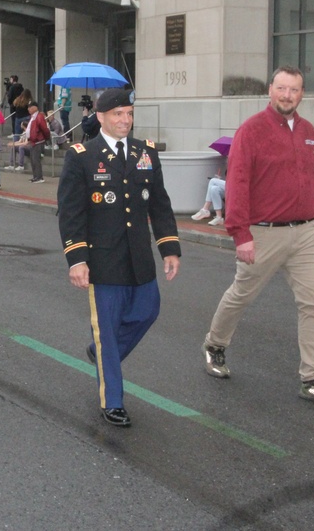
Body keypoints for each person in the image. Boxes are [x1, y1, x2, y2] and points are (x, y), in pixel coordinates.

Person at [201, 66, 314, 408]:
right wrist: (241, 234)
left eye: (294, 90)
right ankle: (215, 345)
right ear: (270, 90)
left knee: (313, 303)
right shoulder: (251, 131)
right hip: (263, 233)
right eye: (281, 88)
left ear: (302, 94)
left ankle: (313, 379)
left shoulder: (309, 132)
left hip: (307, 233)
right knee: (241, 294)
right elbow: (236, 184)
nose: (287, 95)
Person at [57, 88, 181, 428]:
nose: (125, 120)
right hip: (103, 260)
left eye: (128, 114)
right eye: (117, 115)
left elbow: (159, 204)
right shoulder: (82, 155)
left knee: (147, 310)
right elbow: (71, 214)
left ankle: (100, 353)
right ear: (100, 117)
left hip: (139, 256)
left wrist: (169, 247)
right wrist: (77, 258)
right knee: (108, 330)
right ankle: (112, 401)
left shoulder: (146, 153)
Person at [22, 101, 50, 184]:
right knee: (33, 160)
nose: (28, 109)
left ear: (35, 107)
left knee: (36, 160)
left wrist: (45, 137)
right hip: (33, 141)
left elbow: (44, 129)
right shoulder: (33, 117)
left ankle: (39, 177)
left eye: (30, 107)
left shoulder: (39, 117)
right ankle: (35, 176)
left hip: (38, 141)